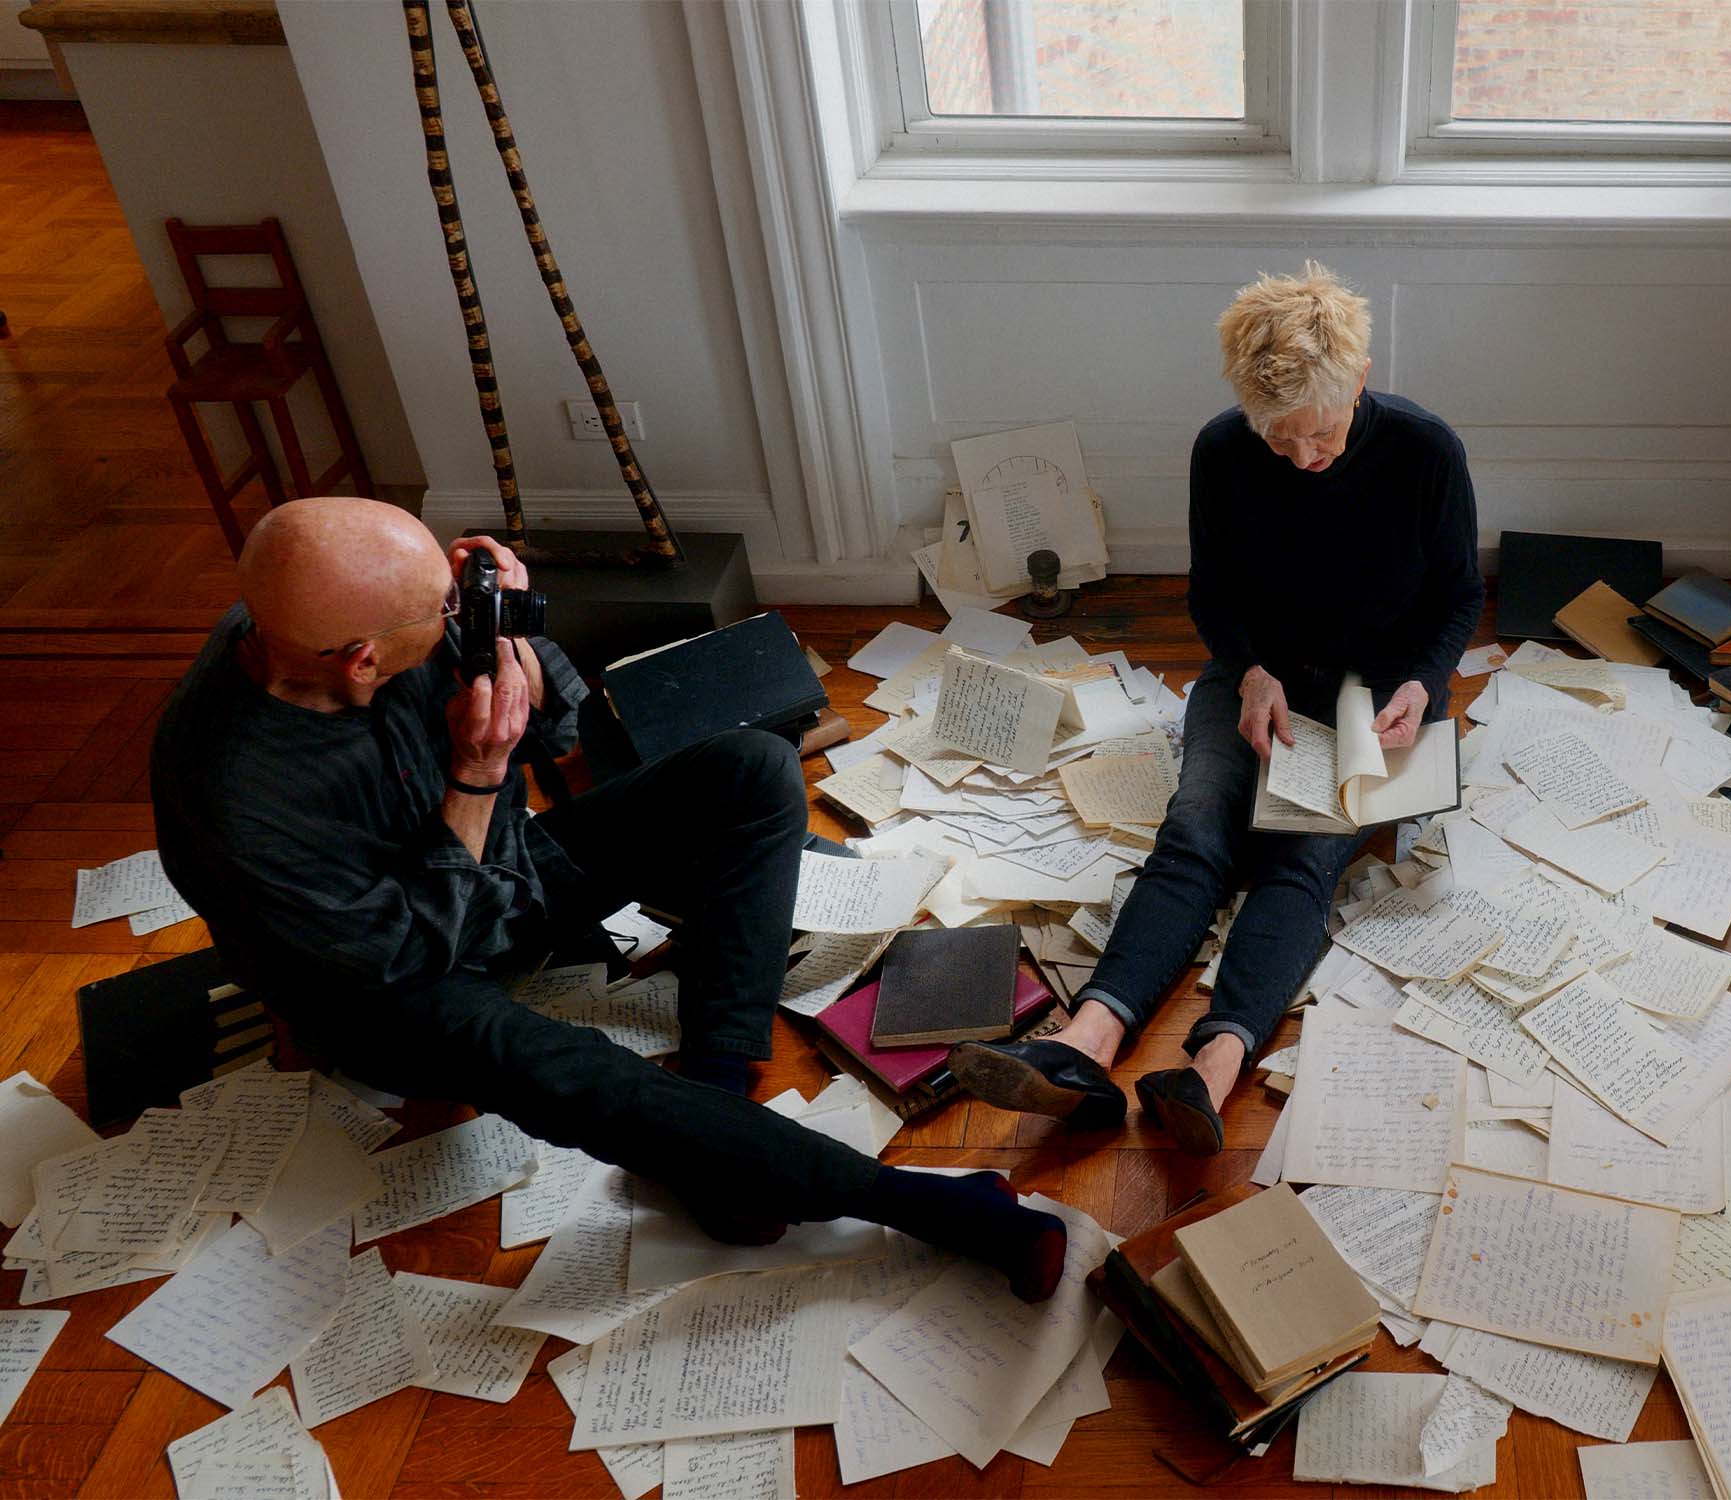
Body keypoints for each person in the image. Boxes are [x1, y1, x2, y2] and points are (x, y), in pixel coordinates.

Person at [151, 498, 1068, 1299]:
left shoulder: (352, 612)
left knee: (754, 769)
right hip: (393, 987)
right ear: (360, 662)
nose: (452, 610)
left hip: (504, 870)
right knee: (557, 1065)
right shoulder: (232, 790)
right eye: (443, 610)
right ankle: (925, 1207)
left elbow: (561, 723)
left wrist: (505, 632)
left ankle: (713, 1100)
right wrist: (476, 777)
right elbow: (416, 948)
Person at [951, 260, 1483, 1155]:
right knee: (1196, 830)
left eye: (1320, 433)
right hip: (1261, 678)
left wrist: (1422, 686)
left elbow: (1460, 597)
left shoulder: (1427, 451)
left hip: (1379, 695)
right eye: (1281, 439)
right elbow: (1212, 594)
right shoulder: (1223, 449)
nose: (1304, 457)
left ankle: (1213, 1067)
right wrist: (1249, 672)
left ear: (1359, 378)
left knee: (1301, 858)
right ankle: (1086, 1043)